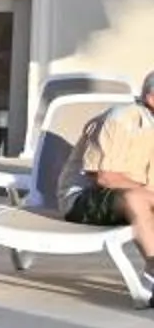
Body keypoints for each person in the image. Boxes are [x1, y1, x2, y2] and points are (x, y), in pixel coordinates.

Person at [62, 72, 154, 300]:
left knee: (140, 198)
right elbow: (105, 178)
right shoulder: (120, 120)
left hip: (138, 198)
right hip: (84, 199)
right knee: (136, 198)